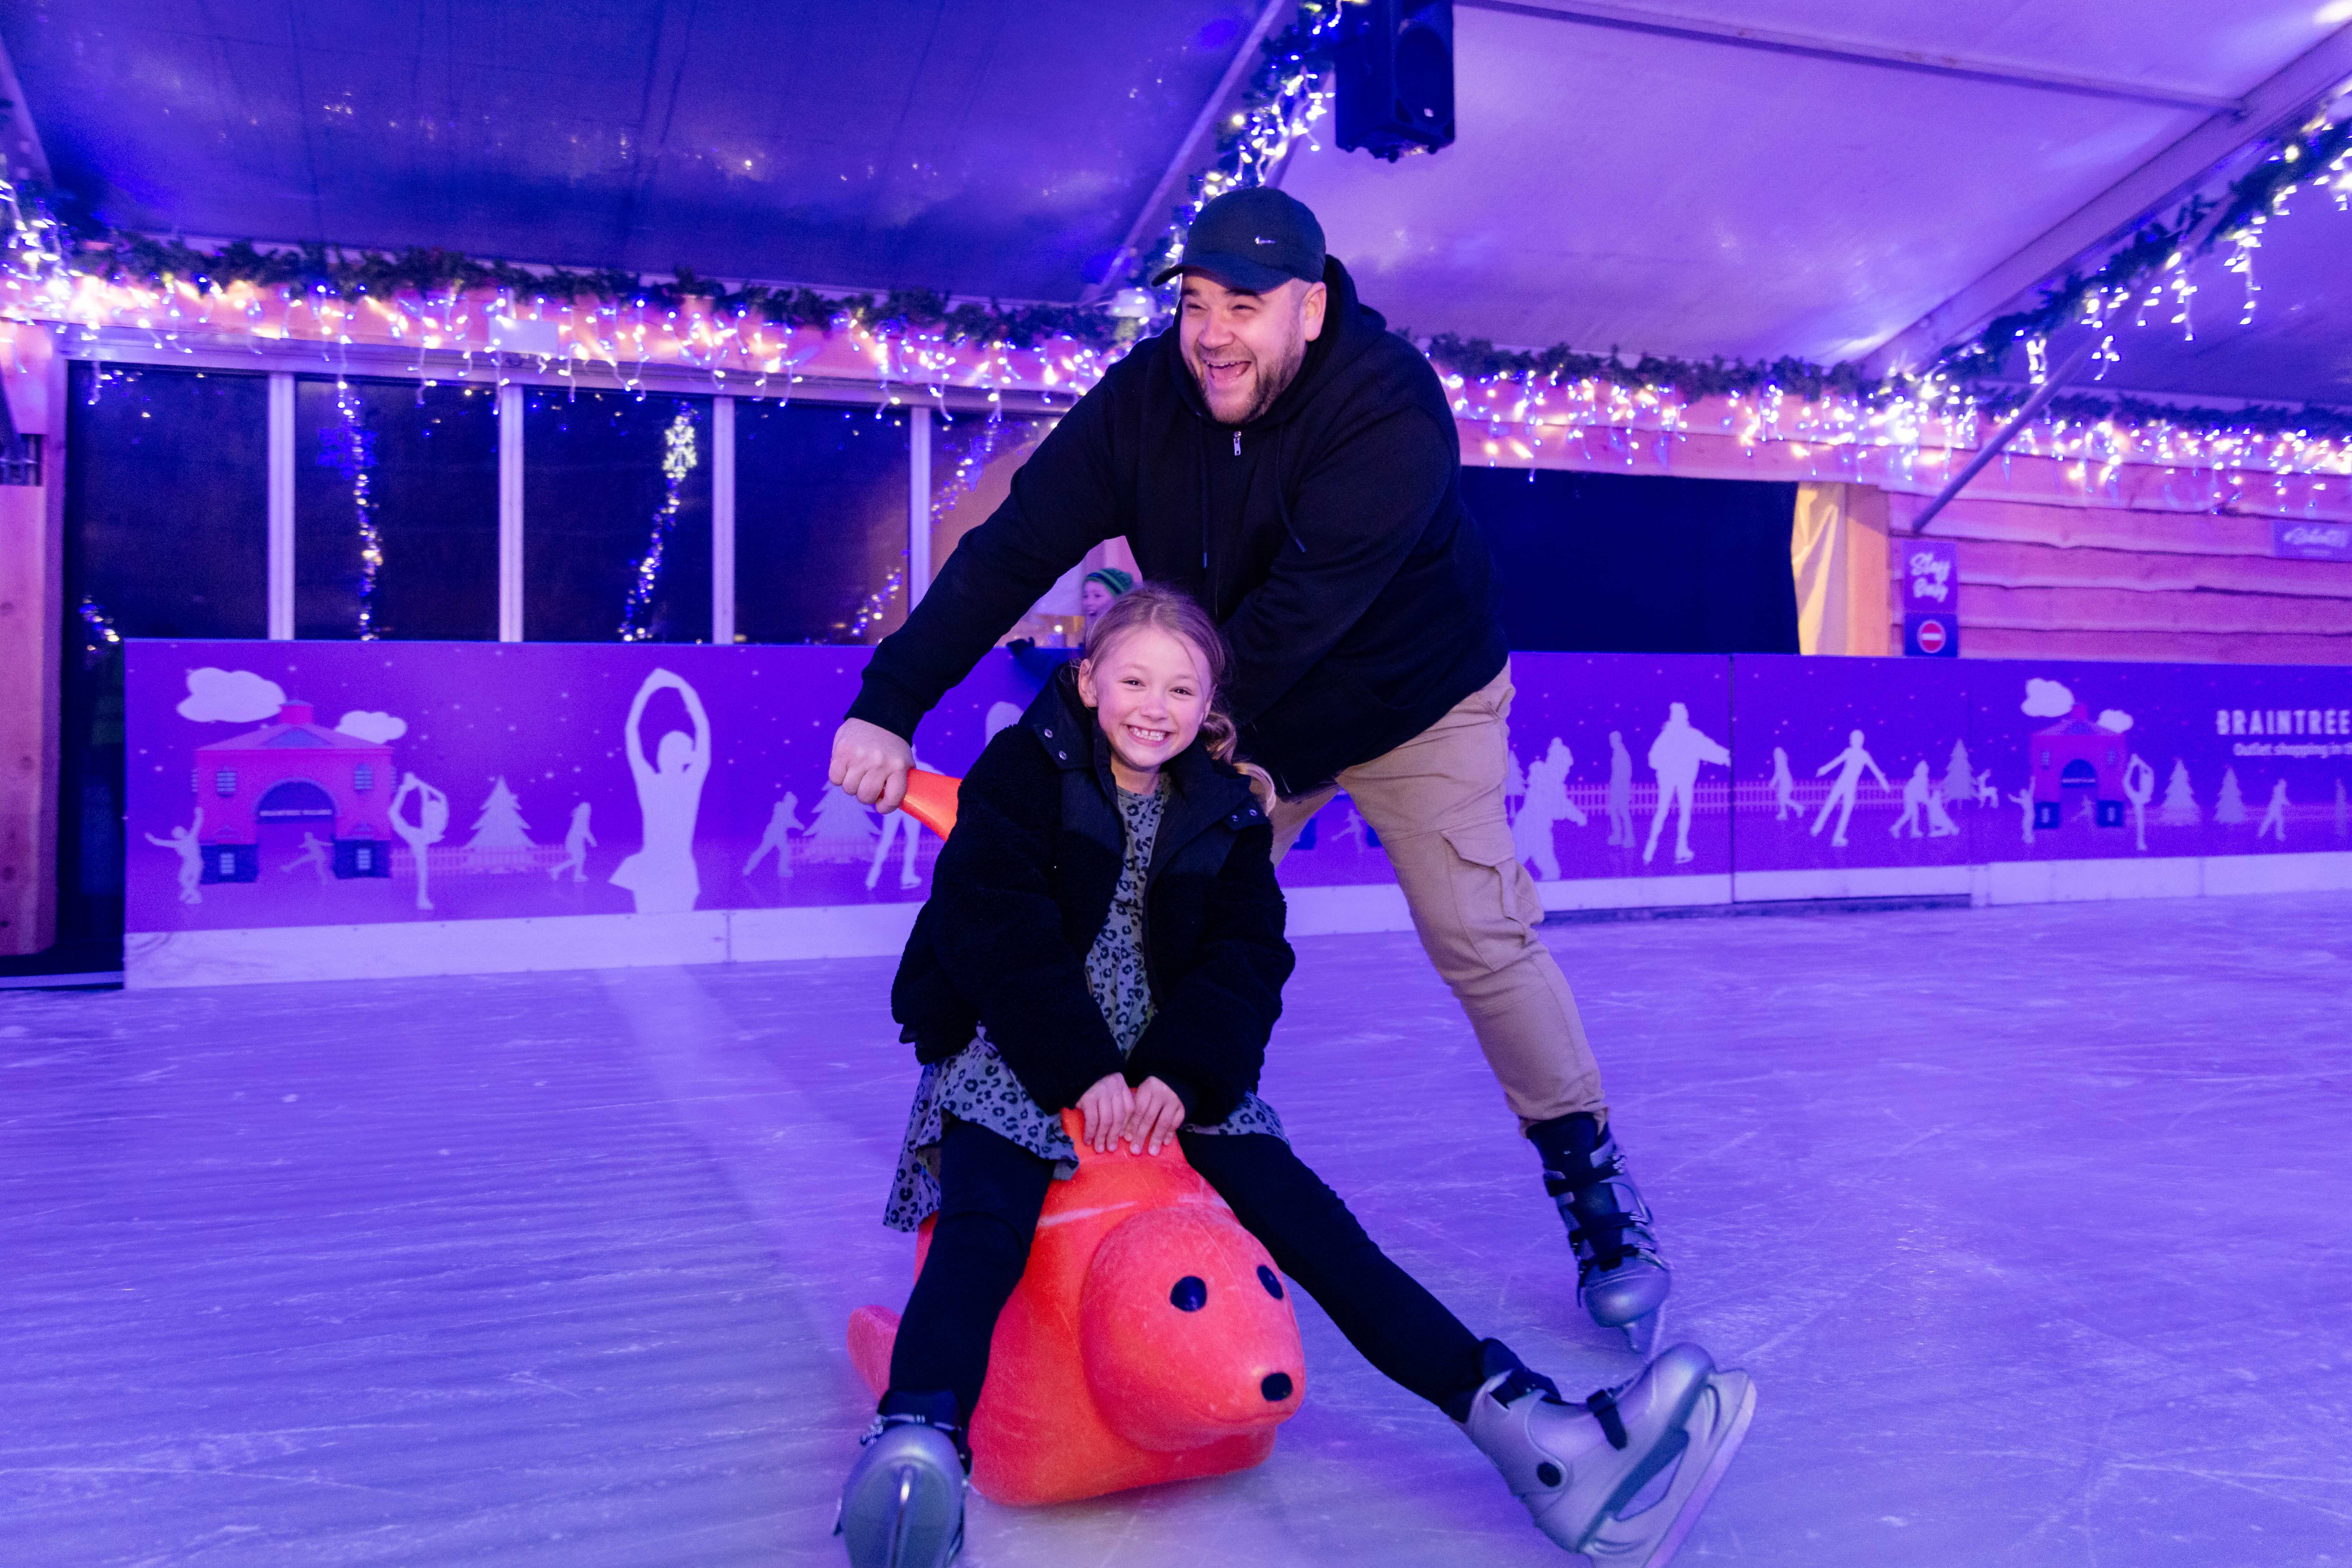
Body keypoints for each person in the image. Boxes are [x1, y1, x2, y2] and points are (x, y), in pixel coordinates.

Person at [829, 186, 1671, 1345]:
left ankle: (1592, 1180)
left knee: (1478, 933)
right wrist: (889, 703)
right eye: (1195, 304)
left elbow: (1293, 619)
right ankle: (1108, 1188)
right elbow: (1011, 551)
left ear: (1311, 310)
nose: (1213, 332)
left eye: (1246, 305)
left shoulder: (1388, 409)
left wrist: (1202, 749)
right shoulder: (1144, 405)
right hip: (1239, 706)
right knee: (1128, 917)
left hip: (1413, 700)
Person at [838, 587, 1752, 1568]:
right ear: (1088, 679)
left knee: (1317, 1228)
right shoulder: (1021, 770)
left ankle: (1533, 1436)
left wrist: (1182, 1078)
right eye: (1135, 679)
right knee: (987, 1220)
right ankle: (917, 1443)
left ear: (1207, 703)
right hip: (1020, 1047)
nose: (1155, 705)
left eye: (1181, 688)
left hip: (1169, 1069)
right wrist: (1079, 1068)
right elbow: (994, 923)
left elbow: (1244, 962)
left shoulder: (1225, 809)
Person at [611, 668, 711, 914]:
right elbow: (631, 733)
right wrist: (679, 689)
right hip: (658, 865)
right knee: (657, 931)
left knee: (667, 930)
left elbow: (702, 730)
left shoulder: (678, 781)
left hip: (671, 867)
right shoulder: (660, 781)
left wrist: (653, 690)